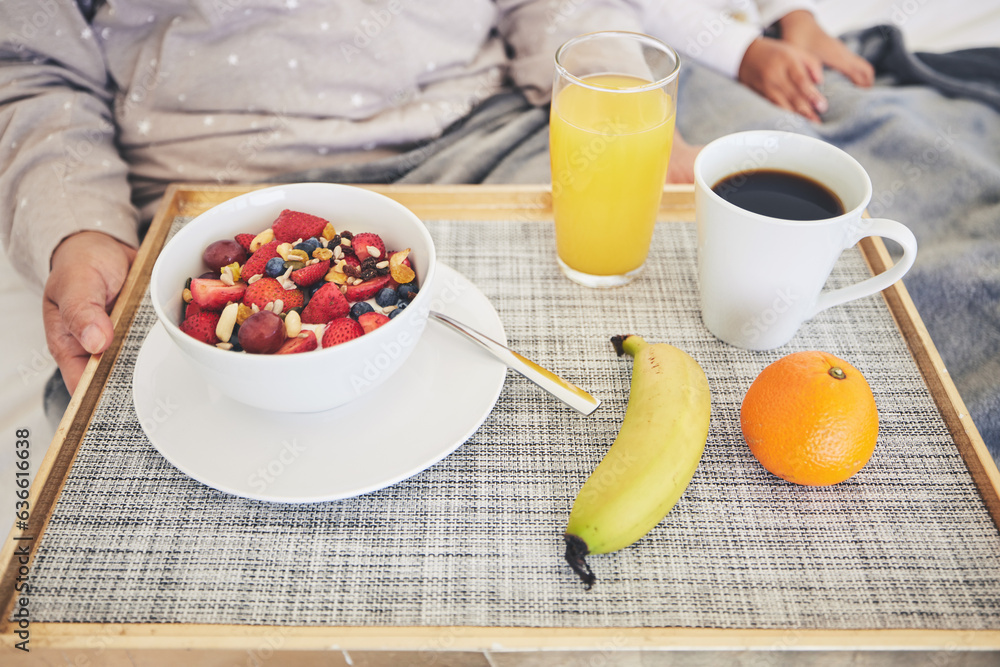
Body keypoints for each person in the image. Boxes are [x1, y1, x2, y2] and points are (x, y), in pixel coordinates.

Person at [0, 0, 699, 413]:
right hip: (207, 185)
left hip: (483, 132)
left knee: (626, 341)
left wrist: (619, 103)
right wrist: (76, 231)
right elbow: (31, 66)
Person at [639, 0, 875, 122]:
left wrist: (795, 15)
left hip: (766, 35)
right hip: (648, 52)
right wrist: (740, 51)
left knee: (862, 105)